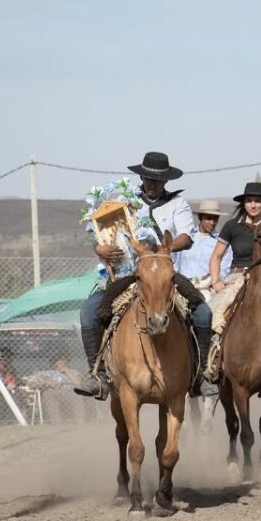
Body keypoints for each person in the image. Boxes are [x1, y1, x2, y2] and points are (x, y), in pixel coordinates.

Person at [75, 151, 216, 399]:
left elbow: (187, 235)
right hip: (125, 275)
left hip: (163, 274)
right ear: (141, 176)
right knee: (88, 312)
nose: (153, 183)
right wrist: (100, 248)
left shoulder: (178, 204)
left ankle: (199, 376)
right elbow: (104, 232)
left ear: (166, 181)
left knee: (203, 312)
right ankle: (98, 375)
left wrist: (167, 248)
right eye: (149, 178)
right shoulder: (123, 201)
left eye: (158, 179)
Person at [176, 200, 231, 282]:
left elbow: (225, 268)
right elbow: (177, 264)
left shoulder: (221, 243)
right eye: (208, 218)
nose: (212, 222)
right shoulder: (186, 238)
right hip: (183, 285)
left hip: (208, 286)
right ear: (200, 217)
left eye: (215, 219)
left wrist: (213, 277)